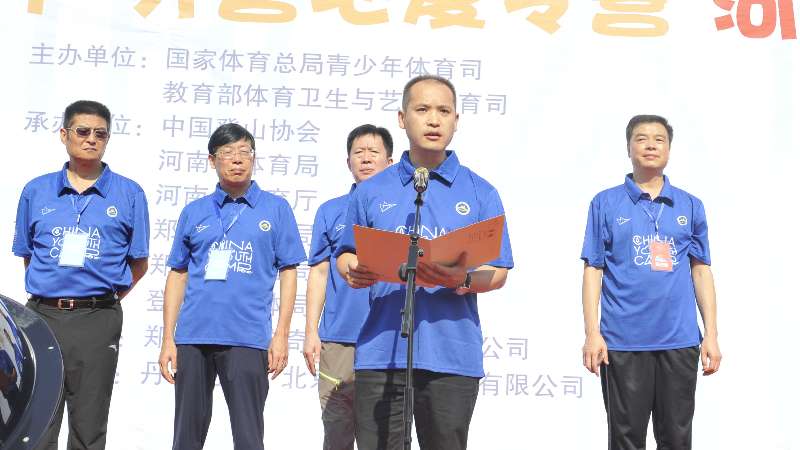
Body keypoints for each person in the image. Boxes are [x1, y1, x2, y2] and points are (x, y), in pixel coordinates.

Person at [335, 75, 514, 450]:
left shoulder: (480, 192)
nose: (434, 120)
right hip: (382, 352)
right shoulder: (372, 190)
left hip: (451, 354)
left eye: (444, 111)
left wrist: (461, 279)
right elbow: (346, 254)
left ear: (456, 121)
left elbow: (498, 272)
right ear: (402, 119)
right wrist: (353, 270)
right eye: (422, 109)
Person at [158, 123, 305, 450]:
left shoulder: (276, 209)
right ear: (212, 160)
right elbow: (178, 274)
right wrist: (168, 338)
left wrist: (281, 335)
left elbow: (289, 271)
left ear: (253, 158)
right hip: (193, 337)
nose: (237, 159)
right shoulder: (194, 211)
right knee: (186, 437)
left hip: (247, 337)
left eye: (244, 152)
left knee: (248, 436)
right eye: (228, 153)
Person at [12, 100, 150, 450]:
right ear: (64, 135)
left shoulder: (129, 193)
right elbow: (28, 255)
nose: (91, 139)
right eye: (83, 131)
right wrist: (52, 292)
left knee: (89, 423)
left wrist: (100, 299)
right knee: (37, 422)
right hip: (41, 318)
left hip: (97, 318)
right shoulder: (36, 190)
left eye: (100, 134)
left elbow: (139, 263)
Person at [580, 115, 722, 450]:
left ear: (669, 149)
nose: (650, 145)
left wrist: (711, 334)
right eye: (641, 138)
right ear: (628, 148)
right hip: (622, 341)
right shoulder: (605, 203)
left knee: (676, 437)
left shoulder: (690, 205)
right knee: (626, 438)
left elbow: (701, 271)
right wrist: (592, 333)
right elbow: (593, 270)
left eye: (659, 139)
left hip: (679, 340)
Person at [302, 124, 394, 450]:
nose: (366, 159)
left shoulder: (404, 211)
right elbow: (318, 273)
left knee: (383, 435)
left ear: (390, 162)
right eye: (359, 152)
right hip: (338, 339)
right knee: (337, 433)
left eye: (374, 152)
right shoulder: (330, 211)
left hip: (388, 338)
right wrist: (311, 331)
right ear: (348, 161)